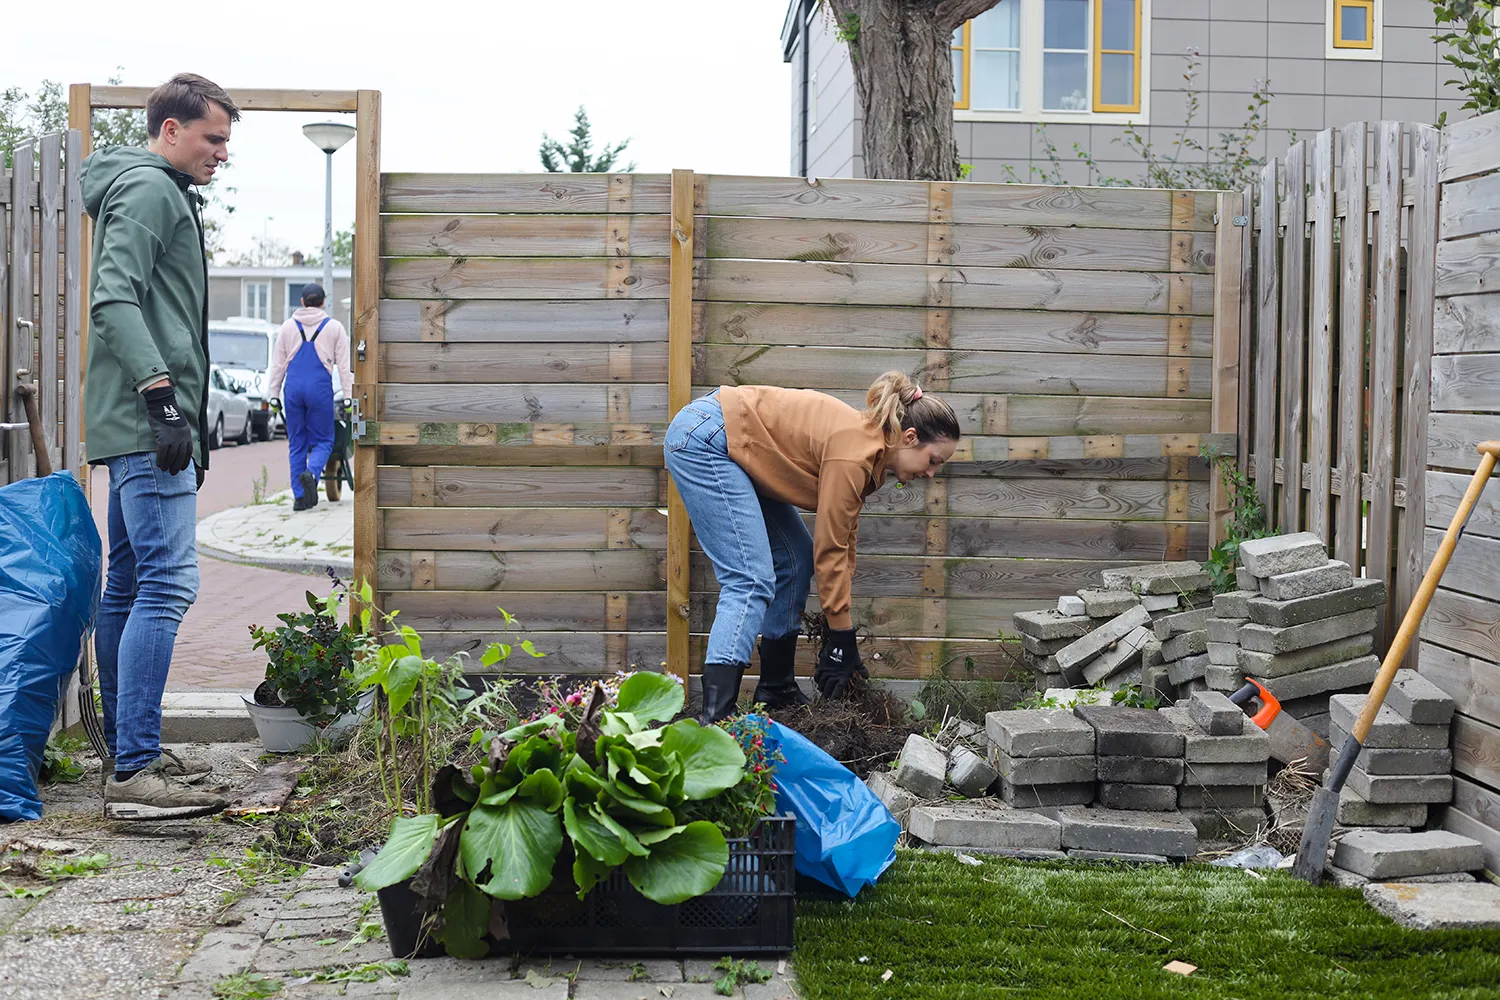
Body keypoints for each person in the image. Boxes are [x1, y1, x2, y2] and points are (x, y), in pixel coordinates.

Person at [82, 73, 240, 819]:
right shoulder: (149, 191)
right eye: (212, 138)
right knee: (169, 585)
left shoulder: (155, 189)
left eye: (226, 141)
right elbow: (112, 297)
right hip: (149, 424)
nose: (222, 154)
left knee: (129, 584)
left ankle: (126, 752)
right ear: (170, 130)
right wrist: (162, 398)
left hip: (138, 422)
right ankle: (135, 772)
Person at [665, 371, 961, 724]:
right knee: (750, 579)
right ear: (910, 438)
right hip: (706, 438)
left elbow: (843, 540)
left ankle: (776, 687)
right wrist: (841, 635)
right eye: (933, 462)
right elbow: (831, 549)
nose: (932, 475)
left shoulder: (869, 453)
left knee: (794, 559)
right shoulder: (854, 454)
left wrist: (842, 634)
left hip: (730, 440)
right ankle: (717, 720)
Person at [265, 284, 352, 510]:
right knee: (324, 440)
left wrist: (273, 395)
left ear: (302, 302)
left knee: (297, 444)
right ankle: (311, 474)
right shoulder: (334, 328)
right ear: (324, 302)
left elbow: (277, 366)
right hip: (319, 389)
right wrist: (350, 398)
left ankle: (300, 498)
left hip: (292, 388)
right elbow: (344, 367)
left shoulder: (287, 328)